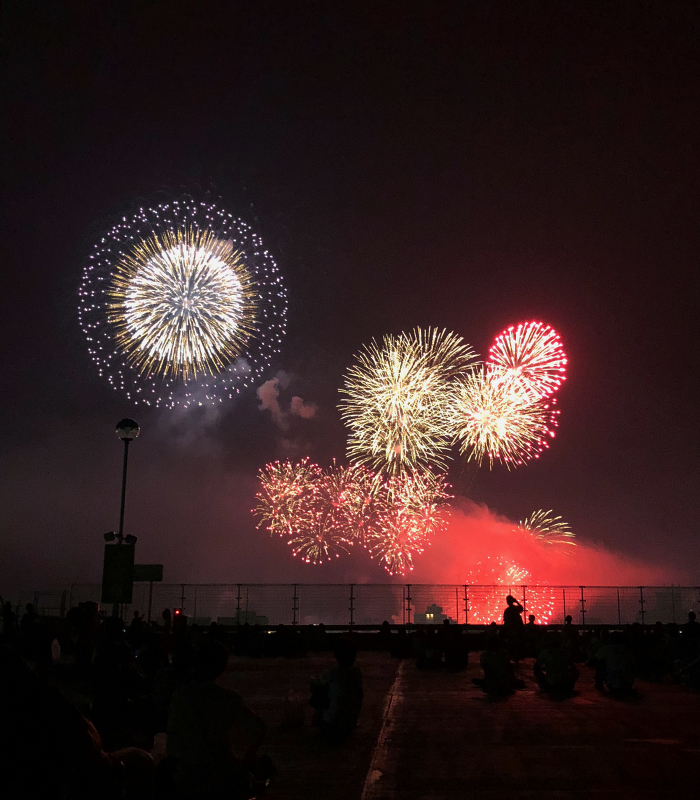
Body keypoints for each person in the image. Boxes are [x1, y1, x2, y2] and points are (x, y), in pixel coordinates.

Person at [166, 639, 266, 799]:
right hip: (223, 775)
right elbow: (257, 730)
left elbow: (172, 745)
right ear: (221, 668)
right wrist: (248, 759)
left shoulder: (180, 696)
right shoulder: (228, 698)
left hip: (187, 777)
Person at [313, 637, 363, 740]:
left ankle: (319, 719)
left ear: (336, 655)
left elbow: (316, 683)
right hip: (349, 723)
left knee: (319, 689)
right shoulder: (357, 673)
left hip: (331, 725)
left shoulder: (331, 674)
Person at [595, 631, 635, 695]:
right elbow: (632, 663)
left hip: (611, 681)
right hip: (627, 682)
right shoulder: (626, 650)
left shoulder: (606, 649)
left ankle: (599, 683)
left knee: (601, 663)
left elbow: (597, 660)